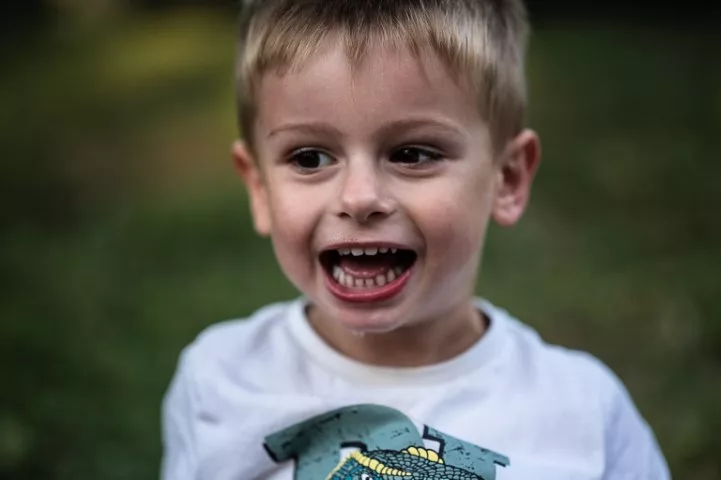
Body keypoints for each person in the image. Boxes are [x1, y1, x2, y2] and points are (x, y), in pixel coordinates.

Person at [161, 0, 670, 478]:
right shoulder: (218, 380)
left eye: (412, 154)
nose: (359, 198)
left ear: (508, 178)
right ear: (258, 188)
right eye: (310, 158)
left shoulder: (584, 412)